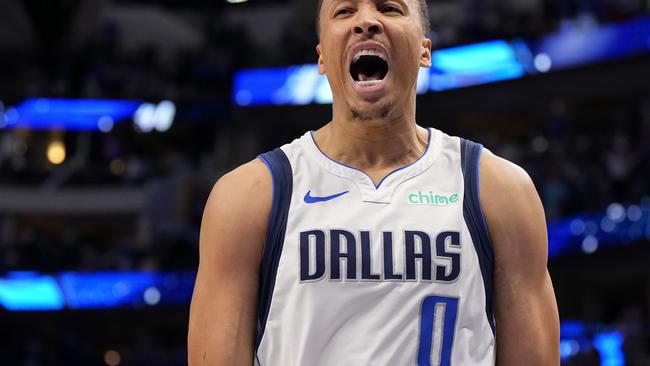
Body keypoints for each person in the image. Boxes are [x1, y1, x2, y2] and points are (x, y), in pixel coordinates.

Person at [188, 0, 560, 364]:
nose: (366, 21)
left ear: (424, 51)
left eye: (389, 8)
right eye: (345, 11)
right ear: (321, 57)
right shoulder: (251, 195)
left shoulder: (498, 189)